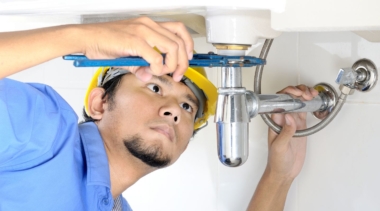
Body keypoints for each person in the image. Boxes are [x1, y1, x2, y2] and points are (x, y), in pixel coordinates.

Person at [0, 16, 318, 211]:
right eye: (155, 88)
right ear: (99, 103)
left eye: (187, 106)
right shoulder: (43, 130)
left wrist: (280, 176)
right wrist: (83, 37)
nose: (173, 112)